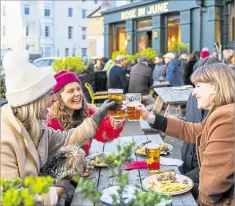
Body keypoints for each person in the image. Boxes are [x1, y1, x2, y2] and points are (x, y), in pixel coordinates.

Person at [1, 50, 115, 205]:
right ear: (34, 100)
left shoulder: (36, 127)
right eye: (50, 94)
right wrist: (61, 187)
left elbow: (66, 139)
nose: (54, 98)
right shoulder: (4, 138)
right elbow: (11, 199)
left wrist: (96, 118)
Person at [138, 63, 234, 205]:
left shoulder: (227, 117)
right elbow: (194, 130)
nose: (194, 92)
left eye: (198, 86)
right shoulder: (222, 111)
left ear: (216, 86)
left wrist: (199, 202)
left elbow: (214, 178)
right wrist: (150, 117)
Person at [46, 70, 125, 155]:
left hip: (86, 163)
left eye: (78, 89)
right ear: (58, 97)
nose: (77, 93)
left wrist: (115, 123)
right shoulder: (50, 121)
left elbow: (103, 134)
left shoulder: (88, 110)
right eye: (71, 91)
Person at [180, 56, 221, 200]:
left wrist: (181, 181)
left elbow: (218, 172)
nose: (194, 91)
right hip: (187, 163)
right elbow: (192, 127)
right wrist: (154, 119)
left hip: (203, 176)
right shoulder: (194, 97)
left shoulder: (225, 114)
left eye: (199, 85)